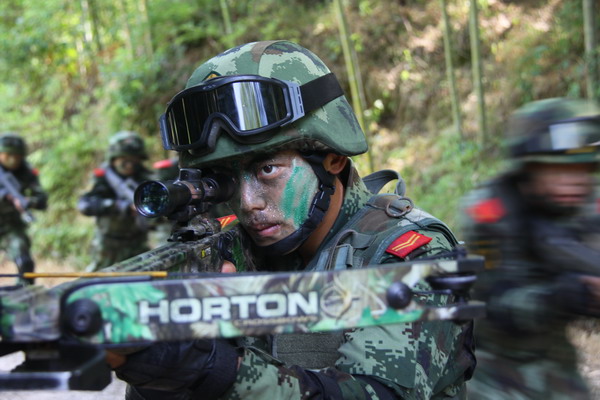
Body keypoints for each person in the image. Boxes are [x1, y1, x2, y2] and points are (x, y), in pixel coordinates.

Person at [113, 40, 475, 400]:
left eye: (268, 169)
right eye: (226, 180)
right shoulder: (229, 253)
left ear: (332, 157)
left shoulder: (414, 256)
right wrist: (159, 372)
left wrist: (214, 369)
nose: (248, 204)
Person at [460, 98, 600, 399]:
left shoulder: (587, 205)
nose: (574, 180)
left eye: (584, 168)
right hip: (493, 365)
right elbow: (493, 307)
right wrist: (563, 296)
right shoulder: (491, 212)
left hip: (556, 359)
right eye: (559, 169)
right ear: (529, 169)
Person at [78, 131, 153, 271]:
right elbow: (84, 205)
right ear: (114, 158)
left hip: (138, 242)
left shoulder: (145, 176)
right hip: (108, 243)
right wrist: (119, 206)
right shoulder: (101, 177)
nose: (130, 164)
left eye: (134, 159)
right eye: (124, 159)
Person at [0, 133, 47, 284]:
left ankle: (25, 296)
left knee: (24, 261)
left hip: (10, 226)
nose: (13, 160)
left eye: (17, 156)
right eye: (8, 155)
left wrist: (28, 202)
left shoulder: (26, 172)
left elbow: (42, 200)